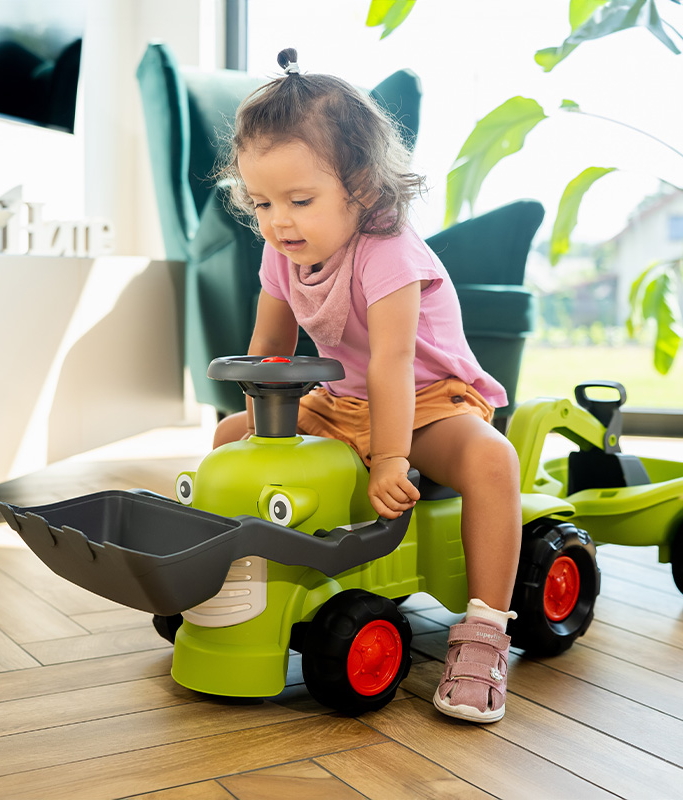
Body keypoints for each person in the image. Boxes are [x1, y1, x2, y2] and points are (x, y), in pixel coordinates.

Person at [214, 48, 522, 724]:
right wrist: (257, 435)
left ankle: (486, 629)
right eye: (261, 202)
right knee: (229, 439)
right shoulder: (281, 252)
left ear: (361, 188)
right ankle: (232, 580)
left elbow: (391, 363)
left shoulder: (388, 250)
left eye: (300, 200)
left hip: (429, 399)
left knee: (492, 459)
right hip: (341, 402)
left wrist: (390, 458)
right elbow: (268, 352)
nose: (278, 221)